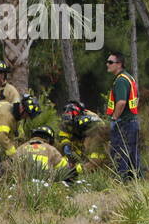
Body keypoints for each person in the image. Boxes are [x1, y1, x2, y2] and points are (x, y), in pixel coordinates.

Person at [105, 50, 141, 178]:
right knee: (132, 154)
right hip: (132, 122)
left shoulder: (121, 81)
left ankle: (121, 182)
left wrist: (114, 119)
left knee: (119, 153)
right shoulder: (128, 77)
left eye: (110, 62)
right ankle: (135, 182)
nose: (107, 64)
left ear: (119, 64)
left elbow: (121, 102)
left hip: (124, 123)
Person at [58, 101, 110, 175]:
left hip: (93, 140)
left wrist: (75, 172)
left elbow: (95, 160)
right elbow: (63, 134)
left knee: (94, 158)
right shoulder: (67, 119)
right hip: (81, 140)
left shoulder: (95, 124)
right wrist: (66, 145)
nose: (69, 125)